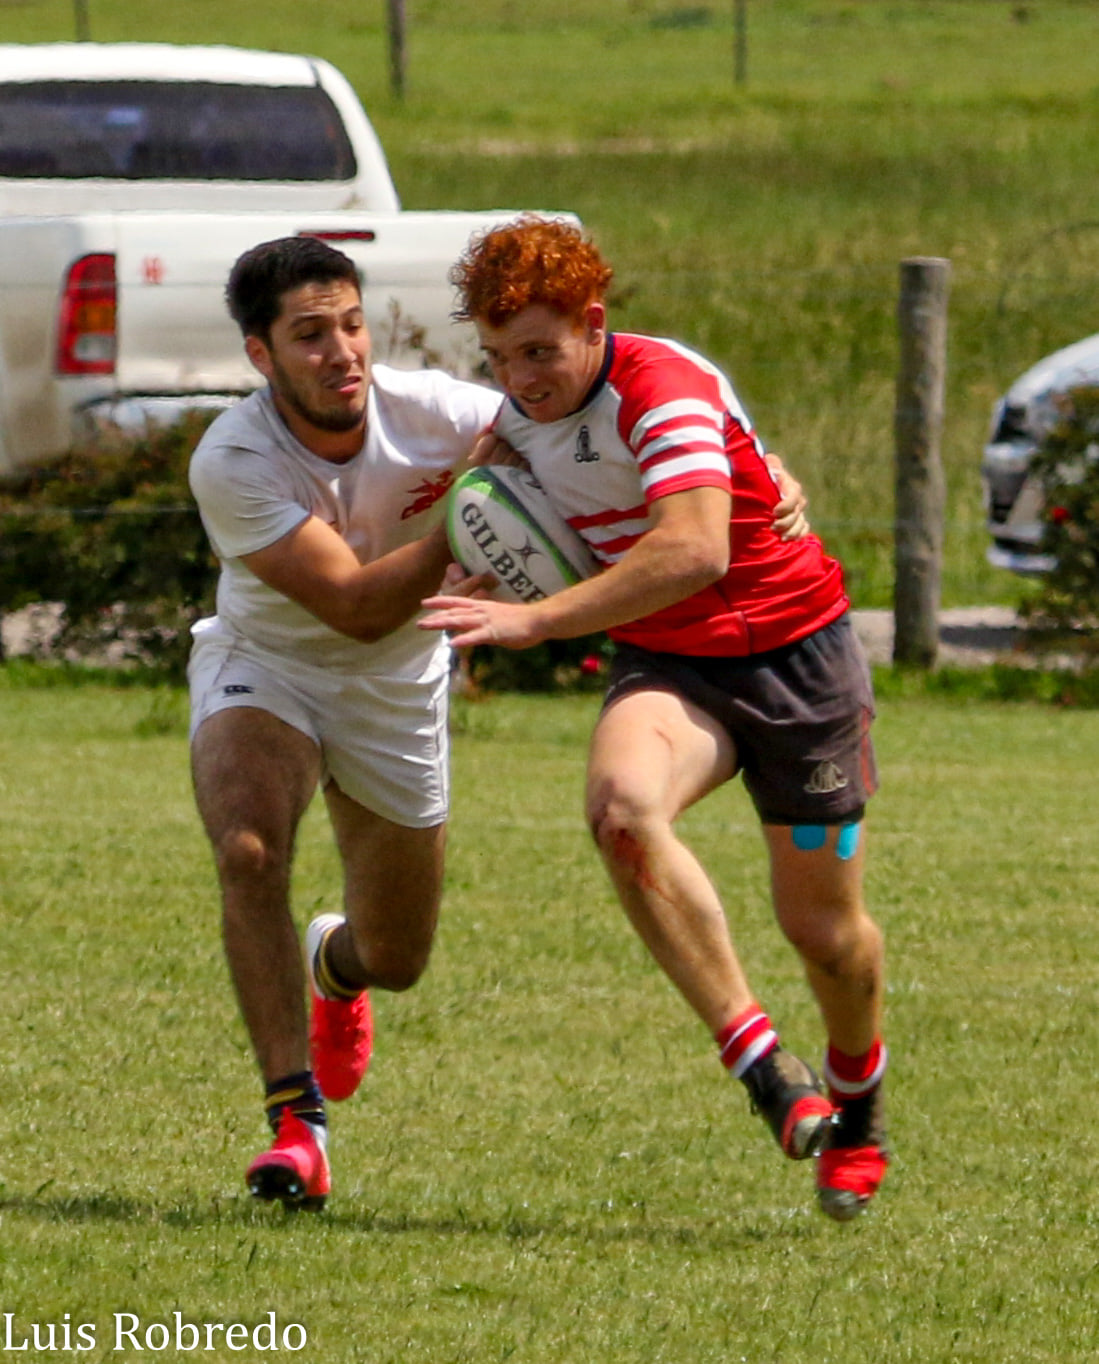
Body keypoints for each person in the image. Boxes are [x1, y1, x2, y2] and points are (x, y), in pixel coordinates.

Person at [421, 215, 888, 1222]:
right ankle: (764, 1066)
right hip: (673, 663)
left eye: (541, 352)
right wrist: (480, 538)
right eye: (501, 358)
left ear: (593, 323)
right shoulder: (512, 415)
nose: (524, 377)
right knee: (621, 809)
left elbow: (694, 551)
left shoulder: (657, 387)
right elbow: (480, 497)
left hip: (798, 659)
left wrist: (533, 617)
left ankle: (856, 1102)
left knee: (824, 932)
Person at [187, 235, 505, 1210]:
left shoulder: (441, 415)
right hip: (267, 666)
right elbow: (359, 605)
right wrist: (471, 510)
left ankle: (338, 959)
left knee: (399, 957)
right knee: (247, 851)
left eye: (354, 325)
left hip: (397, 685)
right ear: (261, 355)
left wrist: (754, 473)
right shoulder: (234, 457)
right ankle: (297, 1123)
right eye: (311, 334)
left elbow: (599, 420)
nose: (343, 351)